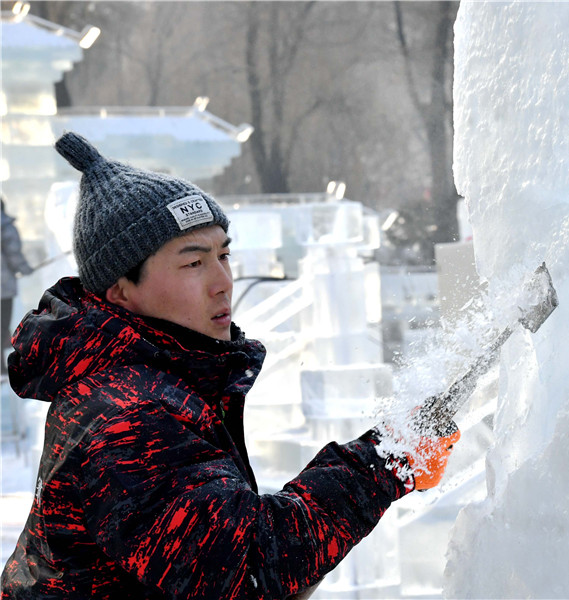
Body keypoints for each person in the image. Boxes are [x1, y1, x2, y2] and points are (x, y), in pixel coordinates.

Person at [1, 131, 458, 599]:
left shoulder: (148, 382)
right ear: (120, 291)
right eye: (193, 263)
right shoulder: (127, 416)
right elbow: (246, 567)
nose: (222, 283)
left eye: (224, 255)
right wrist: (383, 463)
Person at [1, 197, 33, 374]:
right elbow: (13, 254)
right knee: (2, 323)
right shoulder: (5, 226)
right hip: (3, 287)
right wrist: (26, 269)